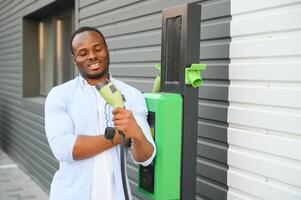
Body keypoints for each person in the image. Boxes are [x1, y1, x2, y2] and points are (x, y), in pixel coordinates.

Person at [45, 26, 156, 200]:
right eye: (83, 53)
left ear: (107, 50)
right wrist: (121, 137)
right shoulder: (60, 95)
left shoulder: (131, 94)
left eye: (98, 49)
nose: (92, 56)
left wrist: (137, 135)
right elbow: (64, 148)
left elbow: (145, 158)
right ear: (74, 59)